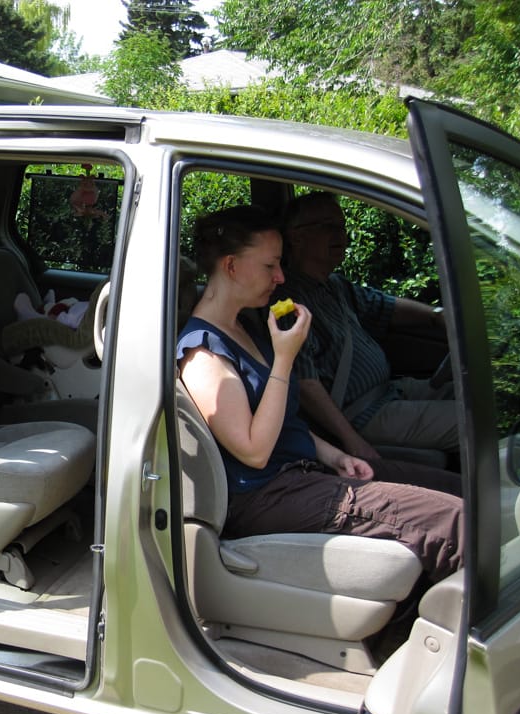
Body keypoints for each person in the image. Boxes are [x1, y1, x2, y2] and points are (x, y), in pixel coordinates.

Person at [176, 205, 463, 583]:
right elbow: (254, 450)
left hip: (304, 473)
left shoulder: (248, 326)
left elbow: (283, 419)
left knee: (456, 488)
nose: (281, 277)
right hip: (268, 497)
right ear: (231, 266)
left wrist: (338, 456)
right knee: (453, 522)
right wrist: (284, 359)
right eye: (270, 266)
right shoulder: (202, 354)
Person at [278, 191, 457, 460]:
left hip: (390, 392)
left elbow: (384, 306)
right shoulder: (288, 302)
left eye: (342, 226)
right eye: (328, 227)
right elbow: (305, 383)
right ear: (296, 236)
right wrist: (351, 440)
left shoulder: (334, 285)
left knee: (474, 389)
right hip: (362, 414)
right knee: (474, 419)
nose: (341, 235)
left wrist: (437, 315)